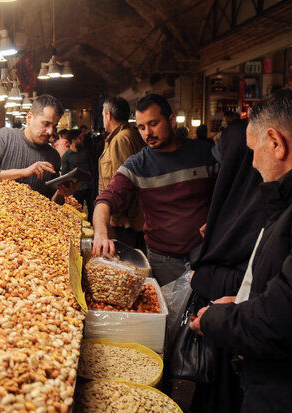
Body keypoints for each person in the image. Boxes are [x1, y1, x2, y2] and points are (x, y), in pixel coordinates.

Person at [190, 89, 292, 413]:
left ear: (276, 142)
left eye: (253, 149)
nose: (251, 162)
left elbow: (283, 318)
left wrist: (215, 319)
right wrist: (243, 302)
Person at [184, 117, 265, 413]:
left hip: (240, 335)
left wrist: (203, 277)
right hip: (227, 326)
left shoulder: (266, 205)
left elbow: (252, 281)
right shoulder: (243, 196)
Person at [93, 94, 217, 286]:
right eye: (141, 127)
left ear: (171, 121)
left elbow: (231, 193)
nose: (147, 133)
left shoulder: (204, 154)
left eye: (153, 124)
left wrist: (219, 220)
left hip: (206, 255)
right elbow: (105, 200)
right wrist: (101, 233)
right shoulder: (138, 164)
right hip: (164, 262)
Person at [0, 94, 76, 202]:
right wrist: (23, 172)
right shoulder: (5, 137)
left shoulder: (53, 156)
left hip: (33, 218)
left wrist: (61, 193)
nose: (50, 131)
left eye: (54, 126)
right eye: (46, 124)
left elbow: (51, 204)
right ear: (29, 118)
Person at [97, 96, 146, 250]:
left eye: (103, 115)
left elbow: (124, 181)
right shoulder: (128, 134)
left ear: (108, 115)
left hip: (124, 222)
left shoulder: (121, 139)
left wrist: (115, 217)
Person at [61, 129, 95, 221]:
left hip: (89, 187)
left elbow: (92, 169)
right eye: (80, 138)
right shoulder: (66, 157)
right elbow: (64, 176)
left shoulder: (86, 152)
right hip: (77, 189)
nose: (82, 140)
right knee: (78, 214)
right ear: (74, 140)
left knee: (92, 211)